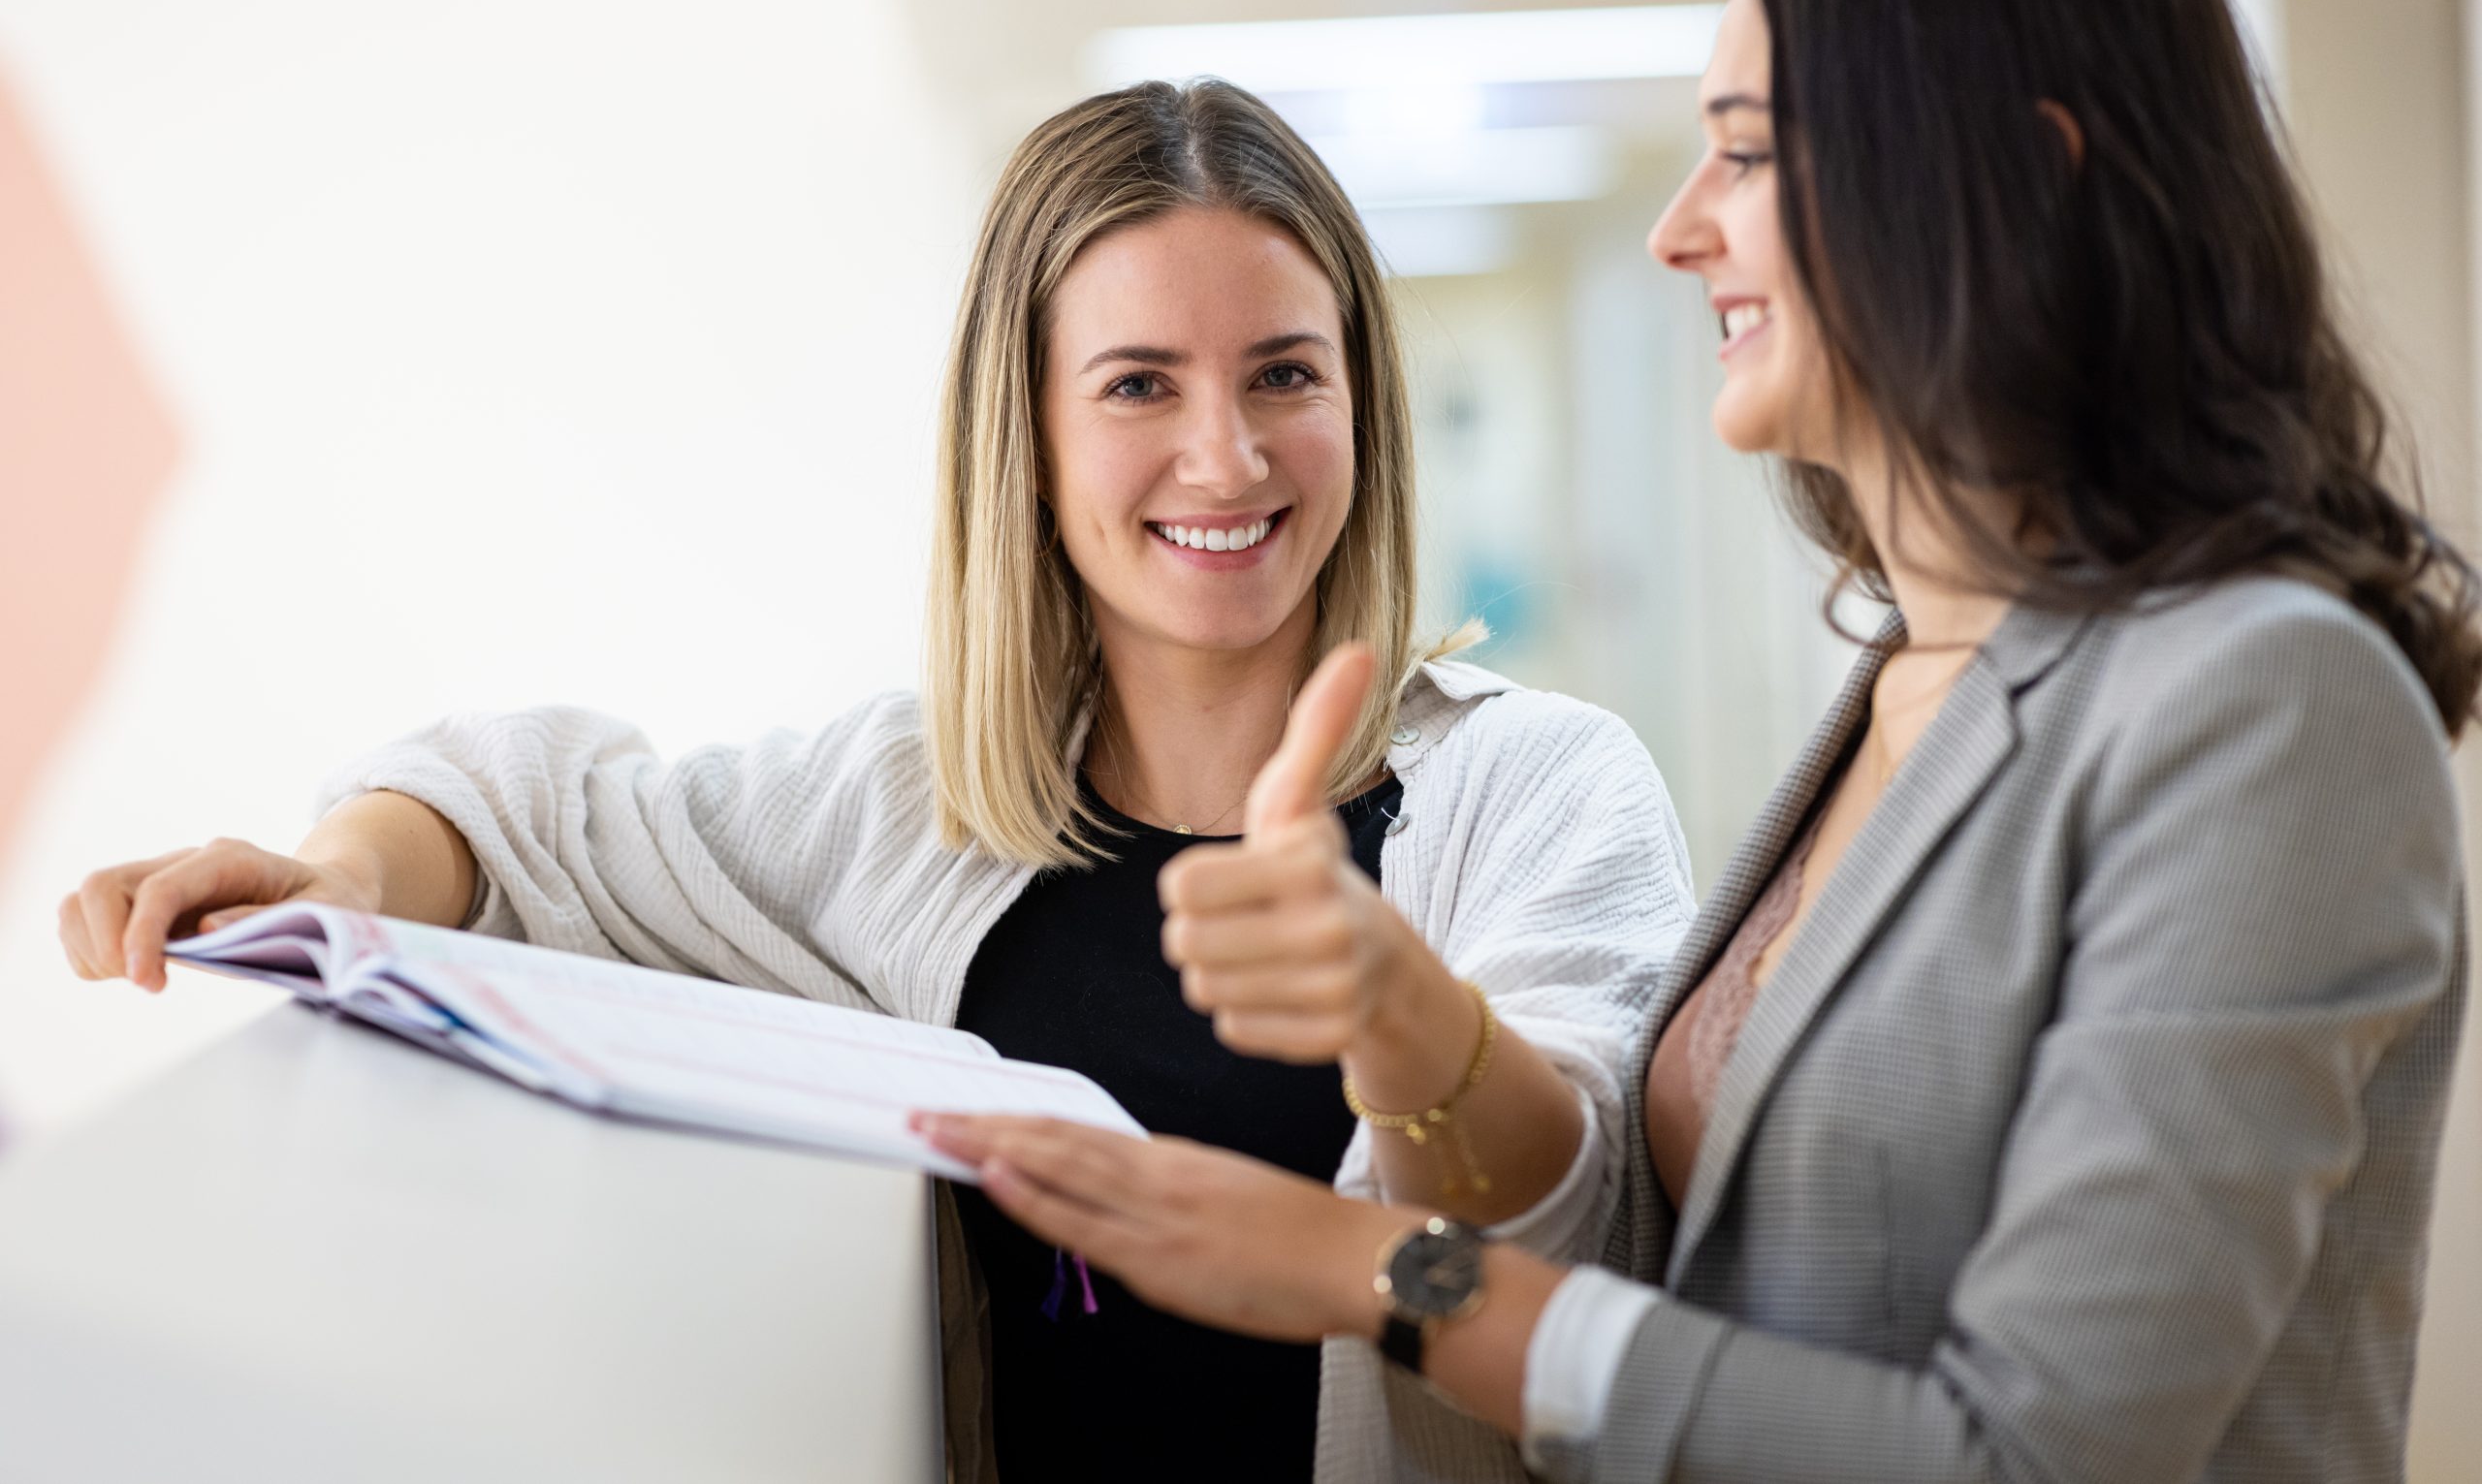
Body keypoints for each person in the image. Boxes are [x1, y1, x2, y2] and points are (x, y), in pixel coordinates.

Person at [919, 0, 2476, 1481]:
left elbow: (2031, 1455)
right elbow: (1716, 1291)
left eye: (1743, 155)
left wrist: (1367, 1269)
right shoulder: (1905, 681)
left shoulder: (2268, 703)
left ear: (2021, 177)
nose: (1679, 231)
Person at [55, 79, 1692, 1481]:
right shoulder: (911, 810)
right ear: (1028, 434)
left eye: (1284, 374)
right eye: (1139, 385)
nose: (1228, 456)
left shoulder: (1539, 786)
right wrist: (338, 879)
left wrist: (1403, 1017)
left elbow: (1567, 1225)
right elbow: (517, 807)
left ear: (1360, 403)